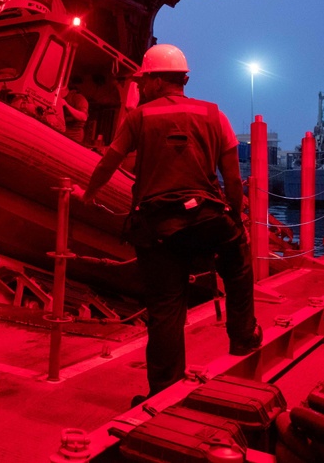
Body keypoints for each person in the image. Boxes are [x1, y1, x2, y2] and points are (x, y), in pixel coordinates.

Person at [80, 44, 261, 399]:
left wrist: (89, 194)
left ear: (157, 81)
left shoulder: (140, 118)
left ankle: (164, 390)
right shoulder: (214, 115)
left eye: (144, 80)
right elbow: (233, 180)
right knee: (238, 267)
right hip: (208, 219)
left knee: (166, 308)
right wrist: (236, 220)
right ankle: (243, 337)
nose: (142, 86)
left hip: (159, 228)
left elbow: (109, 162)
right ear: (183, 79)